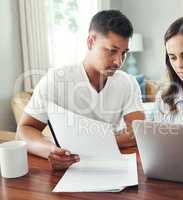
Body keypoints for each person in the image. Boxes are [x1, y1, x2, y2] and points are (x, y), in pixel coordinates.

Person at [17, 10, 145, 171]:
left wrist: (90, 143)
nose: (119, 62)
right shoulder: (55, 80)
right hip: (69, 167)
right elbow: (23, 131)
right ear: (91, 42)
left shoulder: (128, 83)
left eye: (124, 53)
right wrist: (49, 150)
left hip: (110, 166)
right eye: (112, 50)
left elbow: (138, 131)